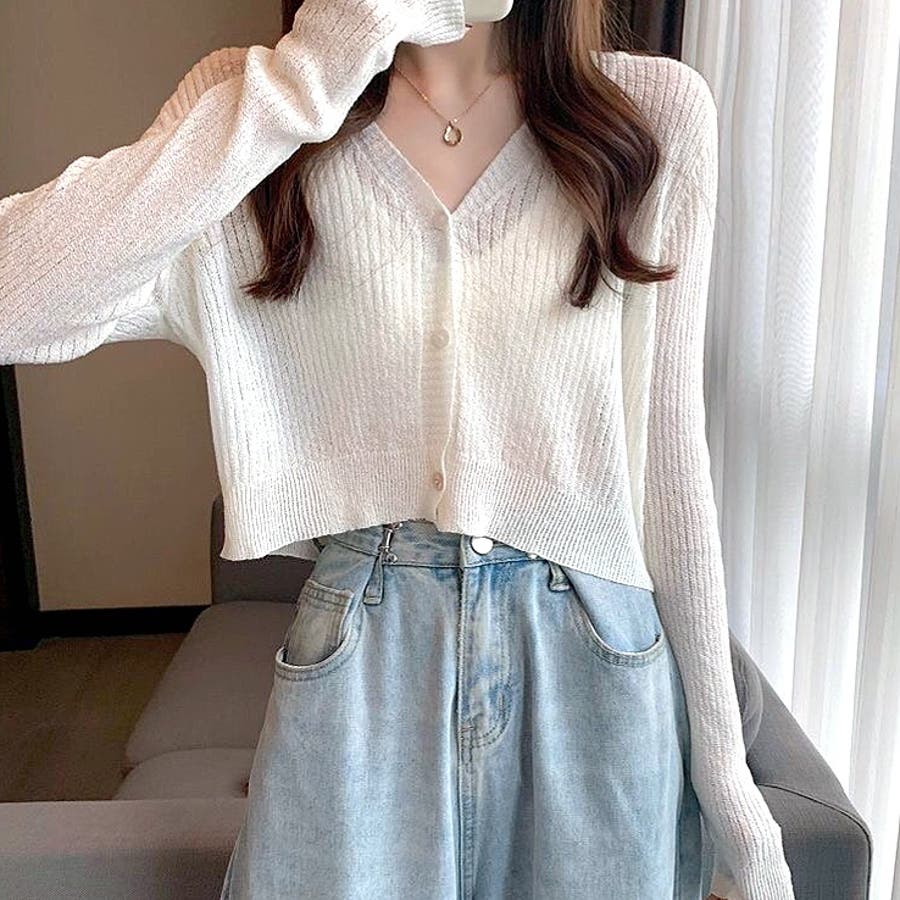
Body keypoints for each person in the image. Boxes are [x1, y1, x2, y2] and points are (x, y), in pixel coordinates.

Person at [0, 0, 796, 897]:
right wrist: (313, 73)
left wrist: (729, 783)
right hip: (363, 654)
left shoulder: (650, 113)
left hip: (596, 661)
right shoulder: (252, 112)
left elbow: (670, 465)